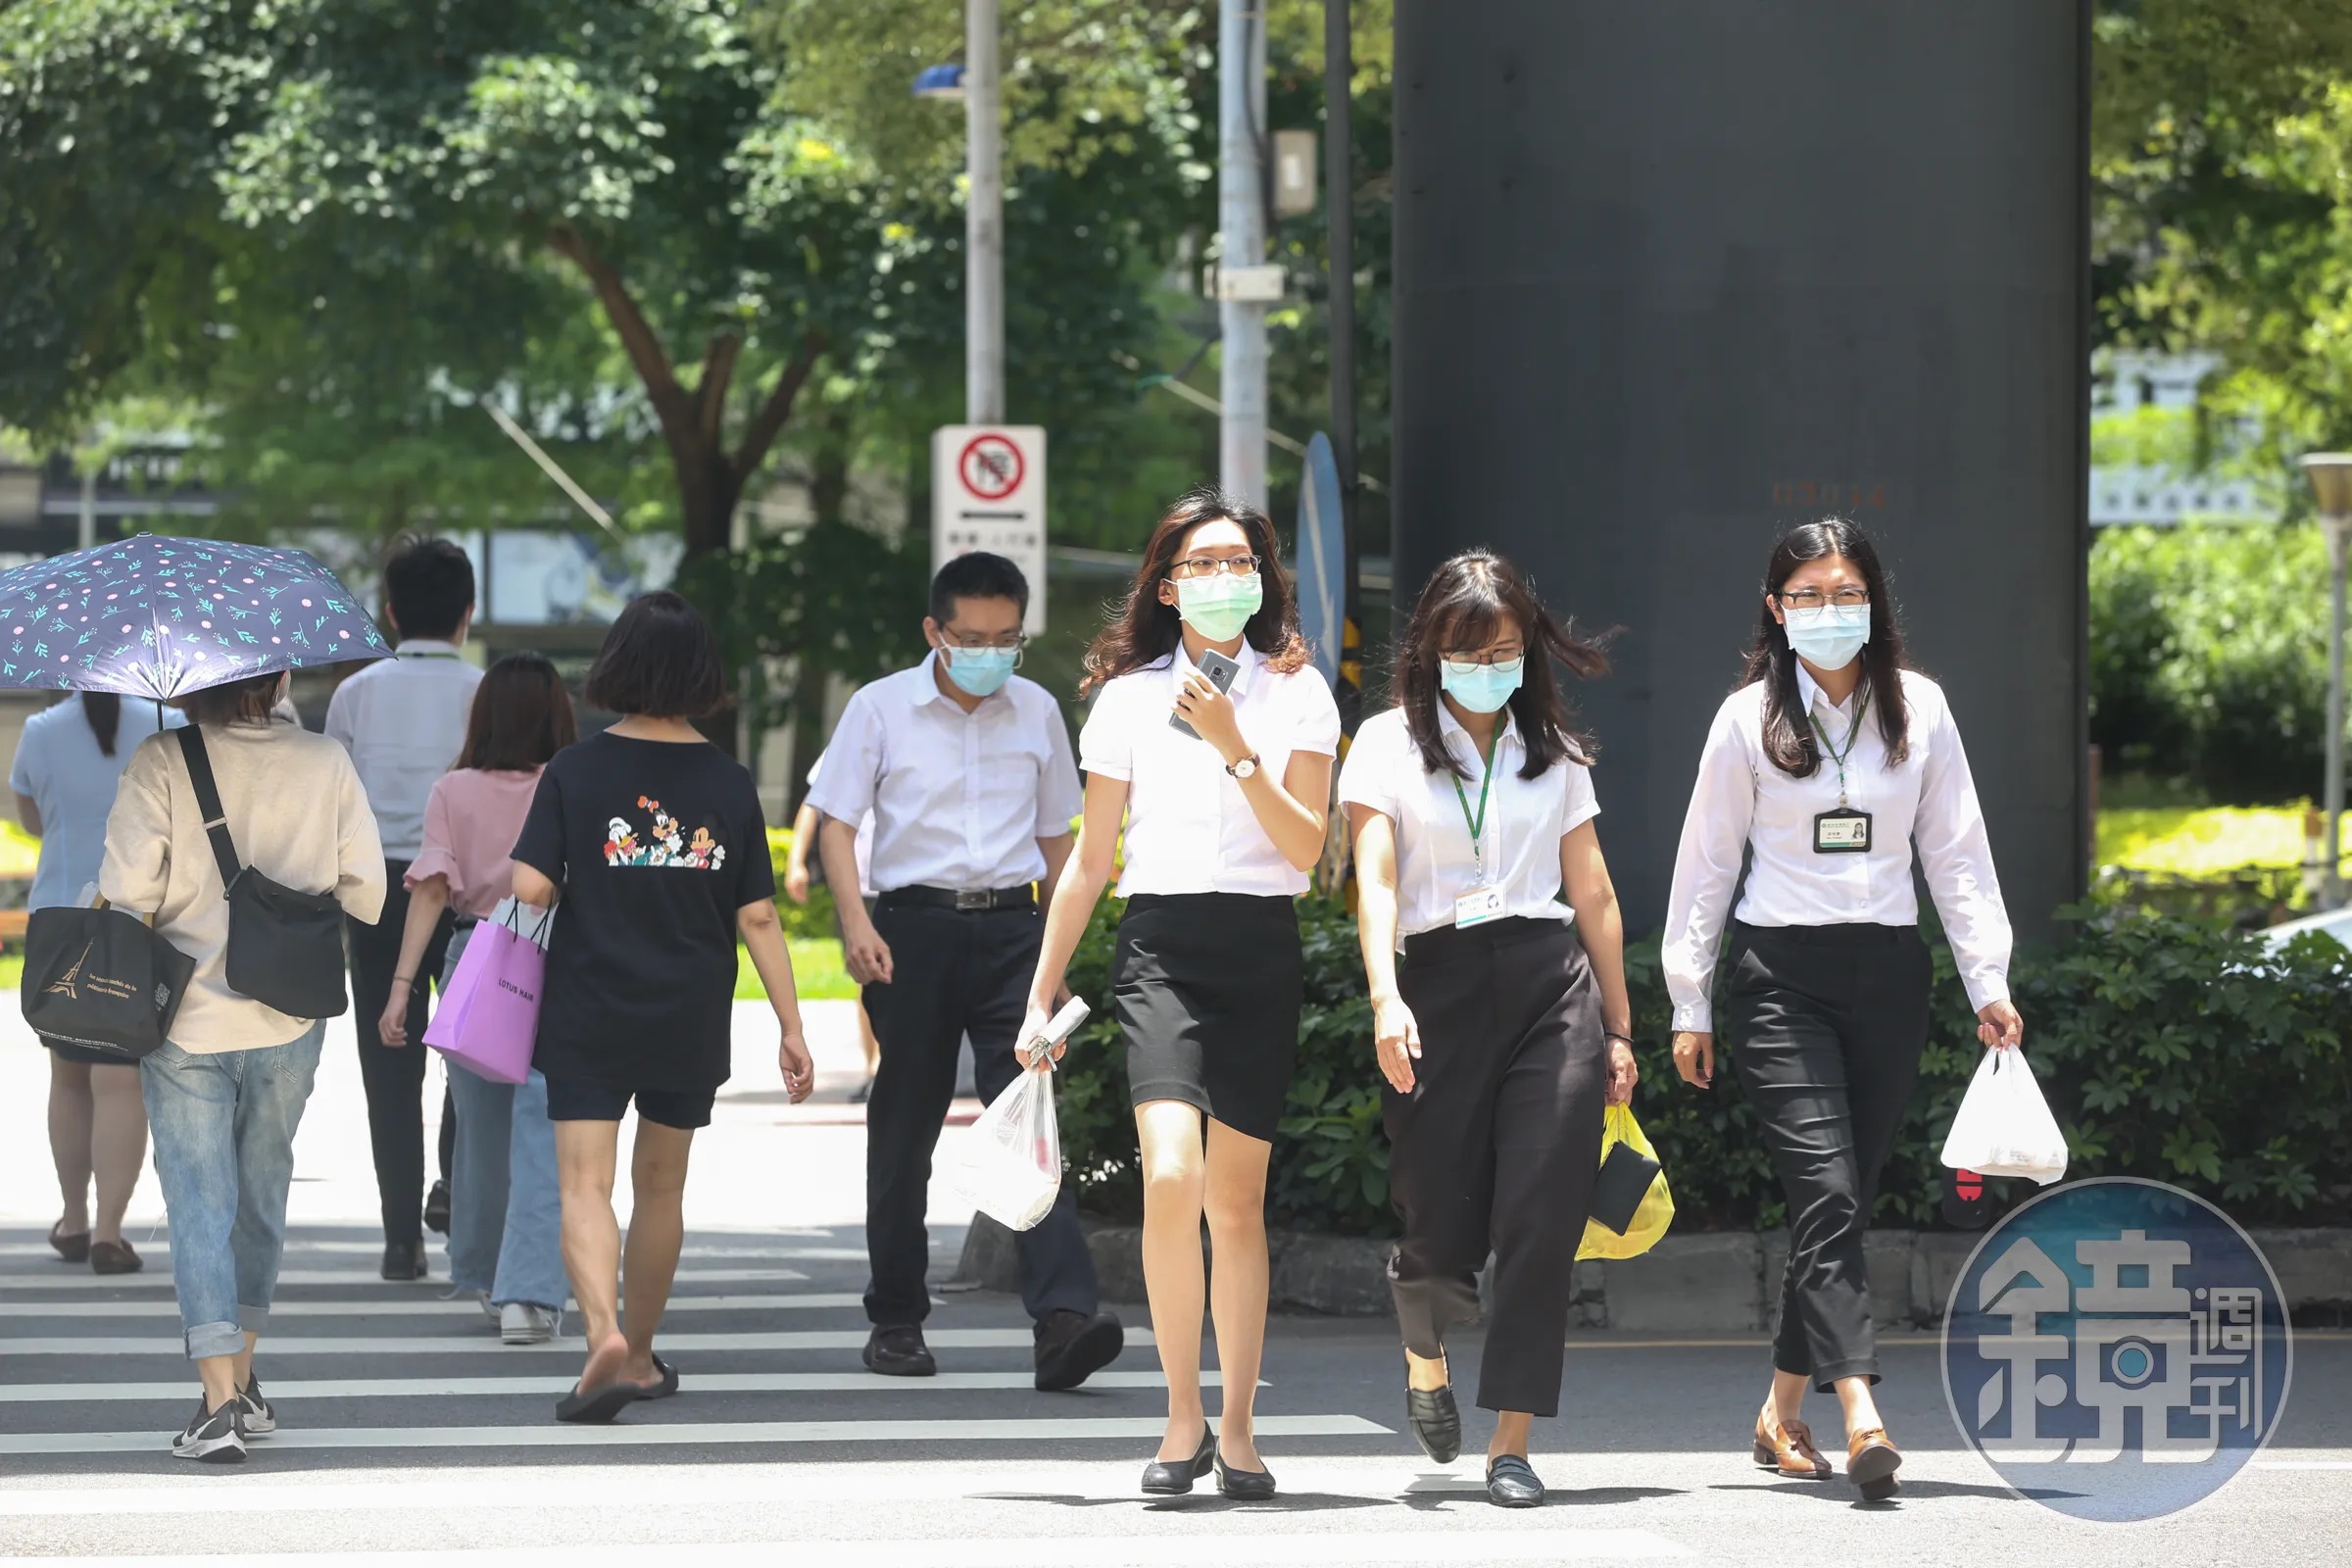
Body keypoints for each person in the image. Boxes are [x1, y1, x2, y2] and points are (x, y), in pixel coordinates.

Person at [1662, 517, 2021, 1500]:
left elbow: (1957, 852)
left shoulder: (1923, 711)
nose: (1829, 611)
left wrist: (1987, 980)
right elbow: (1705, 866)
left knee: (1839, 1203)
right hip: (1780, 978)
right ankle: (1862, 1408)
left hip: (1890, 974)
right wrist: (1689, 998)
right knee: (1826, 1195)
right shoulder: (1745, 720)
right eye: (1808, 595)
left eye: (1846, 591)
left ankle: (1782, 1406)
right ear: (1776, 611)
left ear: (1875, 603)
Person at [1022, 488, 1342, 1498]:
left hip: (1257, 942)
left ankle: (1239, 1428)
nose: (1222, 579)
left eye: (1238, 562)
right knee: (1170, 1176)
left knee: (1237, 1203)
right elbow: (1088, 863)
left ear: (1263, 579)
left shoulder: (1300, 693)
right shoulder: (1124, 699)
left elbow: (1305, 850)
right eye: (1201, 565)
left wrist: (1235, 743)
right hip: (1160, 944)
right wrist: (1042, 992)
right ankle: (1179, 1419)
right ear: (1168, 585)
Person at [1339, 551, 1640, 1508]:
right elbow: (1376, 882)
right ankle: (1423, 1352)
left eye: (1504, 649)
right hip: (1436, 986)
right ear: (1430, 649)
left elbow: (1591, 891)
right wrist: (1386, 995)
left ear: (1528, 651)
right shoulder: (1385, 742)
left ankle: (1511, 1442)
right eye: (1468, 650)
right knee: (1438, 1223)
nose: (1486, 666)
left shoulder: (1551, 744)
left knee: (1541, 1218)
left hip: (1550, 985)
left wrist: (1621, 1026)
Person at [807, 552, 1122, 1393]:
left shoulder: (1038, 710)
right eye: (972, 638)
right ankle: (897, 1317)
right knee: (904, 1126)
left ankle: (1063, 1319)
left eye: (1008, 639)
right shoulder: (879, 709)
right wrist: (855, 924)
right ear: (934, 633)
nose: (990, 652)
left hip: (1015, 934)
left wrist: (1061, 957)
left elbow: (1062, 838)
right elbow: (837, 823)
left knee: (1029, 1115)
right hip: (908, 932)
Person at [509, 592, 815, 1423]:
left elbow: (531, 887)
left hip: (589, 1005)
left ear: (617, 665)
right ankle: (639, 1356)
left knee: (584, 1182)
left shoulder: (575, 769)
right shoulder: (727, 777)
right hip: (688, 1010)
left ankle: (601, 1334)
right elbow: (757, 915)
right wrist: (791, 1026)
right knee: (661, 1189)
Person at [100, 668, 385, 1462]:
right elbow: (368, 895)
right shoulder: (326, 760)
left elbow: (125, 891)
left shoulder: (163, 756)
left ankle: (220, 1401)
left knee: (199, 1203)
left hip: (186, 1016)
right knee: (261, 1197)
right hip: (291, 1015)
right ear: (284, 676)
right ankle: (243, 1379)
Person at [378, 654, 577, 1345]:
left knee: (482, 1137)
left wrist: (402, 988)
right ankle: (531, 1295)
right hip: (558, 957)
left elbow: (432, 888)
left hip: (474, 958)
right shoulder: (572, 781)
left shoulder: (452, 789)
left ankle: (493, 1281)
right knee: (545, 1132)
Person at [326, 537, 483, 1281]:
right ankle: (450, 1181)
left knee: (387, 1064)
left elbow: (336, 801)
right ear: (468, 612)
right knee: (472, 1046)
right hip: (471, 892)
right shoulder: (487, 691)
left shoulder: (356, 694)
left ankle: (400, 1242)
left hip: (378, 888)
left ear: (390, 611)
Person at [14, 692, 177, 1275]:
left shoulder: (40, 729)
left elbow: (31, 816)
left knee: (68, 1077)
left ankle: (74, 1217)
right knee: (121, 1082)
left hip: (58, 921)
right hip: (137, 923)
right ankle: (110, 1232)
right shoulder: (168, 727)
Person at [782, 757, 880, 1100]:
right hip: (859, 884)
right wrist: (796, 861)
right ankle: (875, 1067)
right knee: (868, 977)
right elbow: (814, 802)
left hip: (912, 882)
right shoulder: (854, 732)